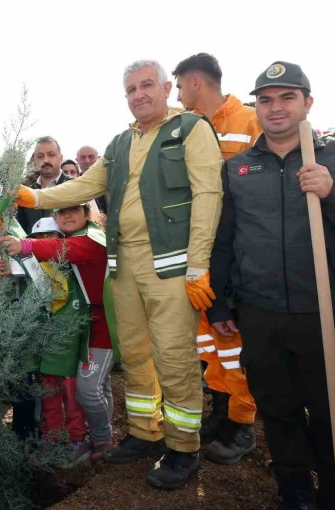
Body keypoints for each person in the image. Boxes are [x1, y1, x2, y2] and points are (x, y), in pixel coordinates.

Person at [17, 59, 223, 489]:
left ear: (167, 88)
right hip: (124, 265)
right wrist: (32, 195)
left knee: (173, 356)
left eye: (147, 85)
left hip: (171, 266)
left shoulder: (191, 129)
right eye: (130, 89)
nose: (138, 94)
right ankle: (147, 433)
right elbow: (83, 187)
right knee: (135, 354)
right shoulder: (120, 142)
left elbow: (208, 194)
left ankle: (183, 447)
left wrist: (199, 264)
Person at [208, 61, 335, 509]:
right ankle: (295, 493)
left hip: (321, 312)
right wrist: (220, 304)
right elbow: (225, 239)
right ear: (255, 107)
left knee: (328, 411)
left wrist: (331, 191)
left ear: (308, 103)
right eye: (265, 99)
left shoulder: (330, 160)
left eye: (287, 97)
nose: (275, 108)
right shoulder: (239, 168)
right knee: (277, 411)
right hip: (260, 315)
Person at [173, 52, 262, 464]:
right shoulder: (190, 127)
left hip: (237, 250)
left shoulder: (248, 121)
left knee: (233, 340)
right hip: (201, 250)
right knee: (209, 339)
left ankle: (243, 424)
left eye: (177, 85)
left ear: (195, 83)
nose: (175, 93)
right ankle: (222, 409)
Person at [3, 204, 114, 465]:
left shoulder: (91, 239)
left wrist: (26, 246)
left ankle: (99, 441)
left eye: (74, 209)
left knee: (87, 389)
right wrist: (13, 268)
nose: (66, 215)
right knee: (96, 386)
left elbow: (61, 252)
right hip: (87, 328)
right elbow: (40, 272)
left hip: (103, 324)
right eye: (60, 211)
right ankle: (99, 441)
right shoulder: (78, 240)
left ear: (87, 213)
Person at [17, 136, 73, 235]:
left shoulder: (75, 186)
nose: (46, 160)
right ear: (34, 160)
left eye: (51, 155)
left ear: (61, 158)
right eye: (40, 156)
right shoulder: (27, 193)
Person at [76, 146, 108, 213]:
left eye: (91, 157)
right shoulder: (73, 186)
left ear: (98, 159)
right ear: (77, 160)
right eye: (83, 157)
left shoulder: (109, 181)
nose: (87, 161)